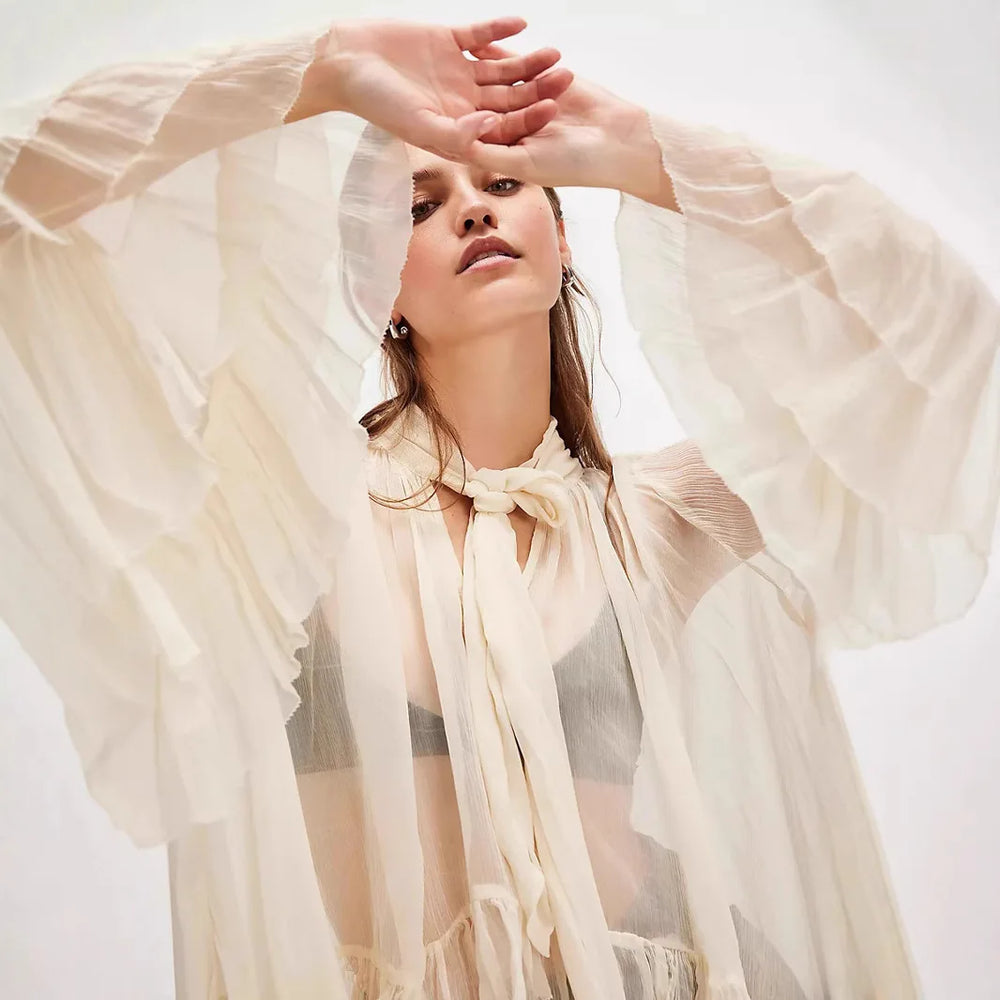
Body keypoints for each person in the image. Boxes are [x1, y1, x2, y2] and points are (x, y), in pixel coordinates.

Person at [0, 14, 997, 1000]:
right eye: (420, 206)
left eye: (504, 185)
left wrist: (651, 156)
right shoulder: (282, 509)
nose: (472, 210)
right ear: (375, 279)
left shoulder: (653, 523)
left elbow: (957, 384)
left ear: (560, 240)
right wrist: (323, 69)